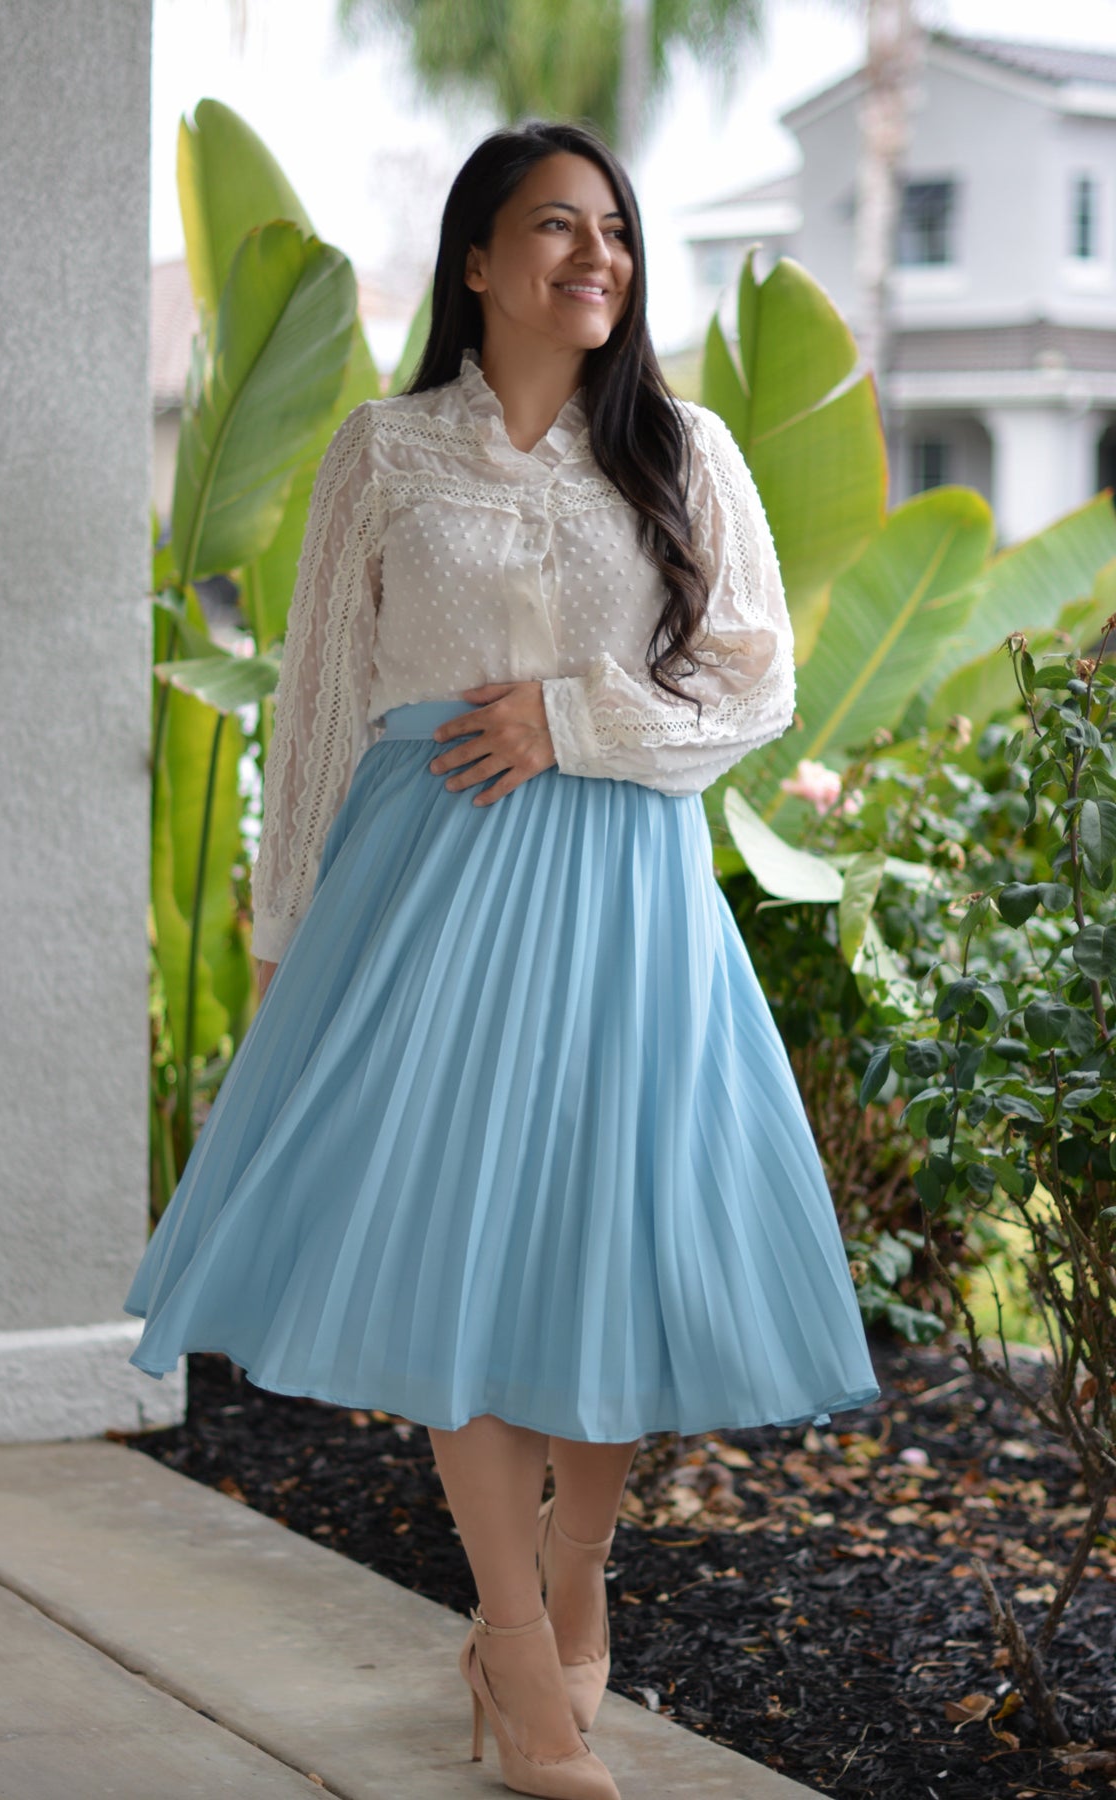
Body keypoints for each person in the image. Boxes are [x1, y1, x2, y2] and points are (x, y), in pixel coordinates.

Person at [124, 118, 881, 1800]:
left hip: (628, 897)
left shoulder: (685, 449)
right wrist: (284, 947)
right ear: (477, 260)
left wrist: (570, 719)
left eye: (614, 229)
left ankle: (577, 1571)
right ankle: (517, 1646)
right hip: (426, 895)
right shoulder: (383, 455)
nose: (596, 256)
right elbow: (321, 713)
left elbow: (757, 684)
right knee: (463, 1259)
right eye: (555, 226)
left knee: (604, 1249)